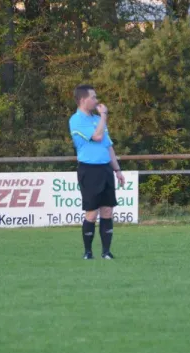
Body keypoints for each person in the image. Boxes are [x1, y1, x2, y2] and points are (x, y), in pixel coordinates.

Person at [68, 84, 125, 260]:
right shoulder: (76, 120)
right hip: (89, 169)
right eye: (93, 97)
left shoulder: (96, 119)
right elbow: (97, 137)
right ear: (83, 100)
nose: (96, 100)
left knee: (107, 211)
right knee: (92, 213)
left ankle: (106, 252)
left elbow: (107, 146)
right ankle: (88, 252)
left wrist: (117, 170)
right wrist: (104, 116)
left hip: (105, 168)